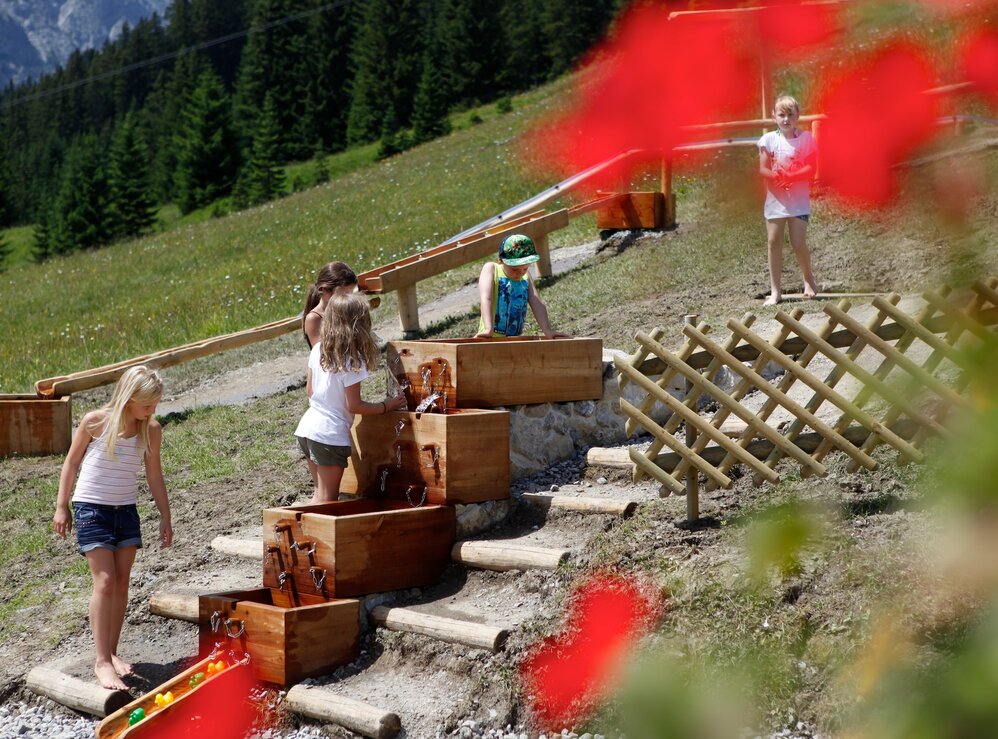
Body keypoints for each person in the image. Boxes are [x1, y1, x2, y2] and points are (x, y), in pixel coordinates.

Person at [52, 365, 172, 690]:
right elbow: (72, 463)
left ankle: (113, 652)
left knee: (121, 583)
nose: (153, 410)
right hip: (92, 510)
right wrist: (62, 506)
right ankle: (101, 661)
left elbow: (154, 475)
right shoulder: (95, 422)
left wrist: (165, 514)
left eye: (156, 404)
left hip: (126, 511)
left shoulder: (152, 429)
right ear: (128, 398)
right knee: (104, 581)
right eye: (148, 404)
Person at [295, 292, 407, 503]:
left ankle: (306, 534)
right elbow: (354, 405)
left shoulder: (318, 348)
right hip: (329, 435)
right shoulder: (352, 362)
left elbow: (309, 390)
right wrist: (386, 406)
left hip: (307, 429)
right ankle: (319, 536)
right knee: (328, 501)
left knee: (318, 495)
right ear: (360, 324)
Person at [758, 94, 818, 306]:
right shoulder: (768, 140)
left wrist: (792, 176)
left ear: (797, 116)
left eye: (790, 115)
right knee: (773, 242)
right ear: (774, 116)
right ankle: (775, 291)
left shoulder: (806, 139)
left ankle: (808, 280)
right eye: (781, 115)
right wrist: (777, 176)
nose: (785, 119)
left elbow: (812, 167)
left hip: (798, 201)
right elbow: (763, 168)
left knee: (798, 243)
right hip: (776, 201)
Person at [473, 234, 568, 338]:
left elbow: (537, 302)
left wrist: (547, 330)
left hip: (514, 339)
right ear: (501, 260)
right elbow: (486, 298)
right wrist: (488, 328)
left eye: (524, 268)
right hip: (490, 337)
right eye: (514, 269)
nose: (519, 273)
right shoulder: (492, 269)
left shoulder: (525, 277)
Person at [302, 261, 358, 348]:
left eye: (350, 293)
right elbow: (322, 354)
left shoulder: (347, 309)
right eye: (343, 294)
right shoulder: (314, 319)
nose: (348, 298)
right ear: (324, 290)